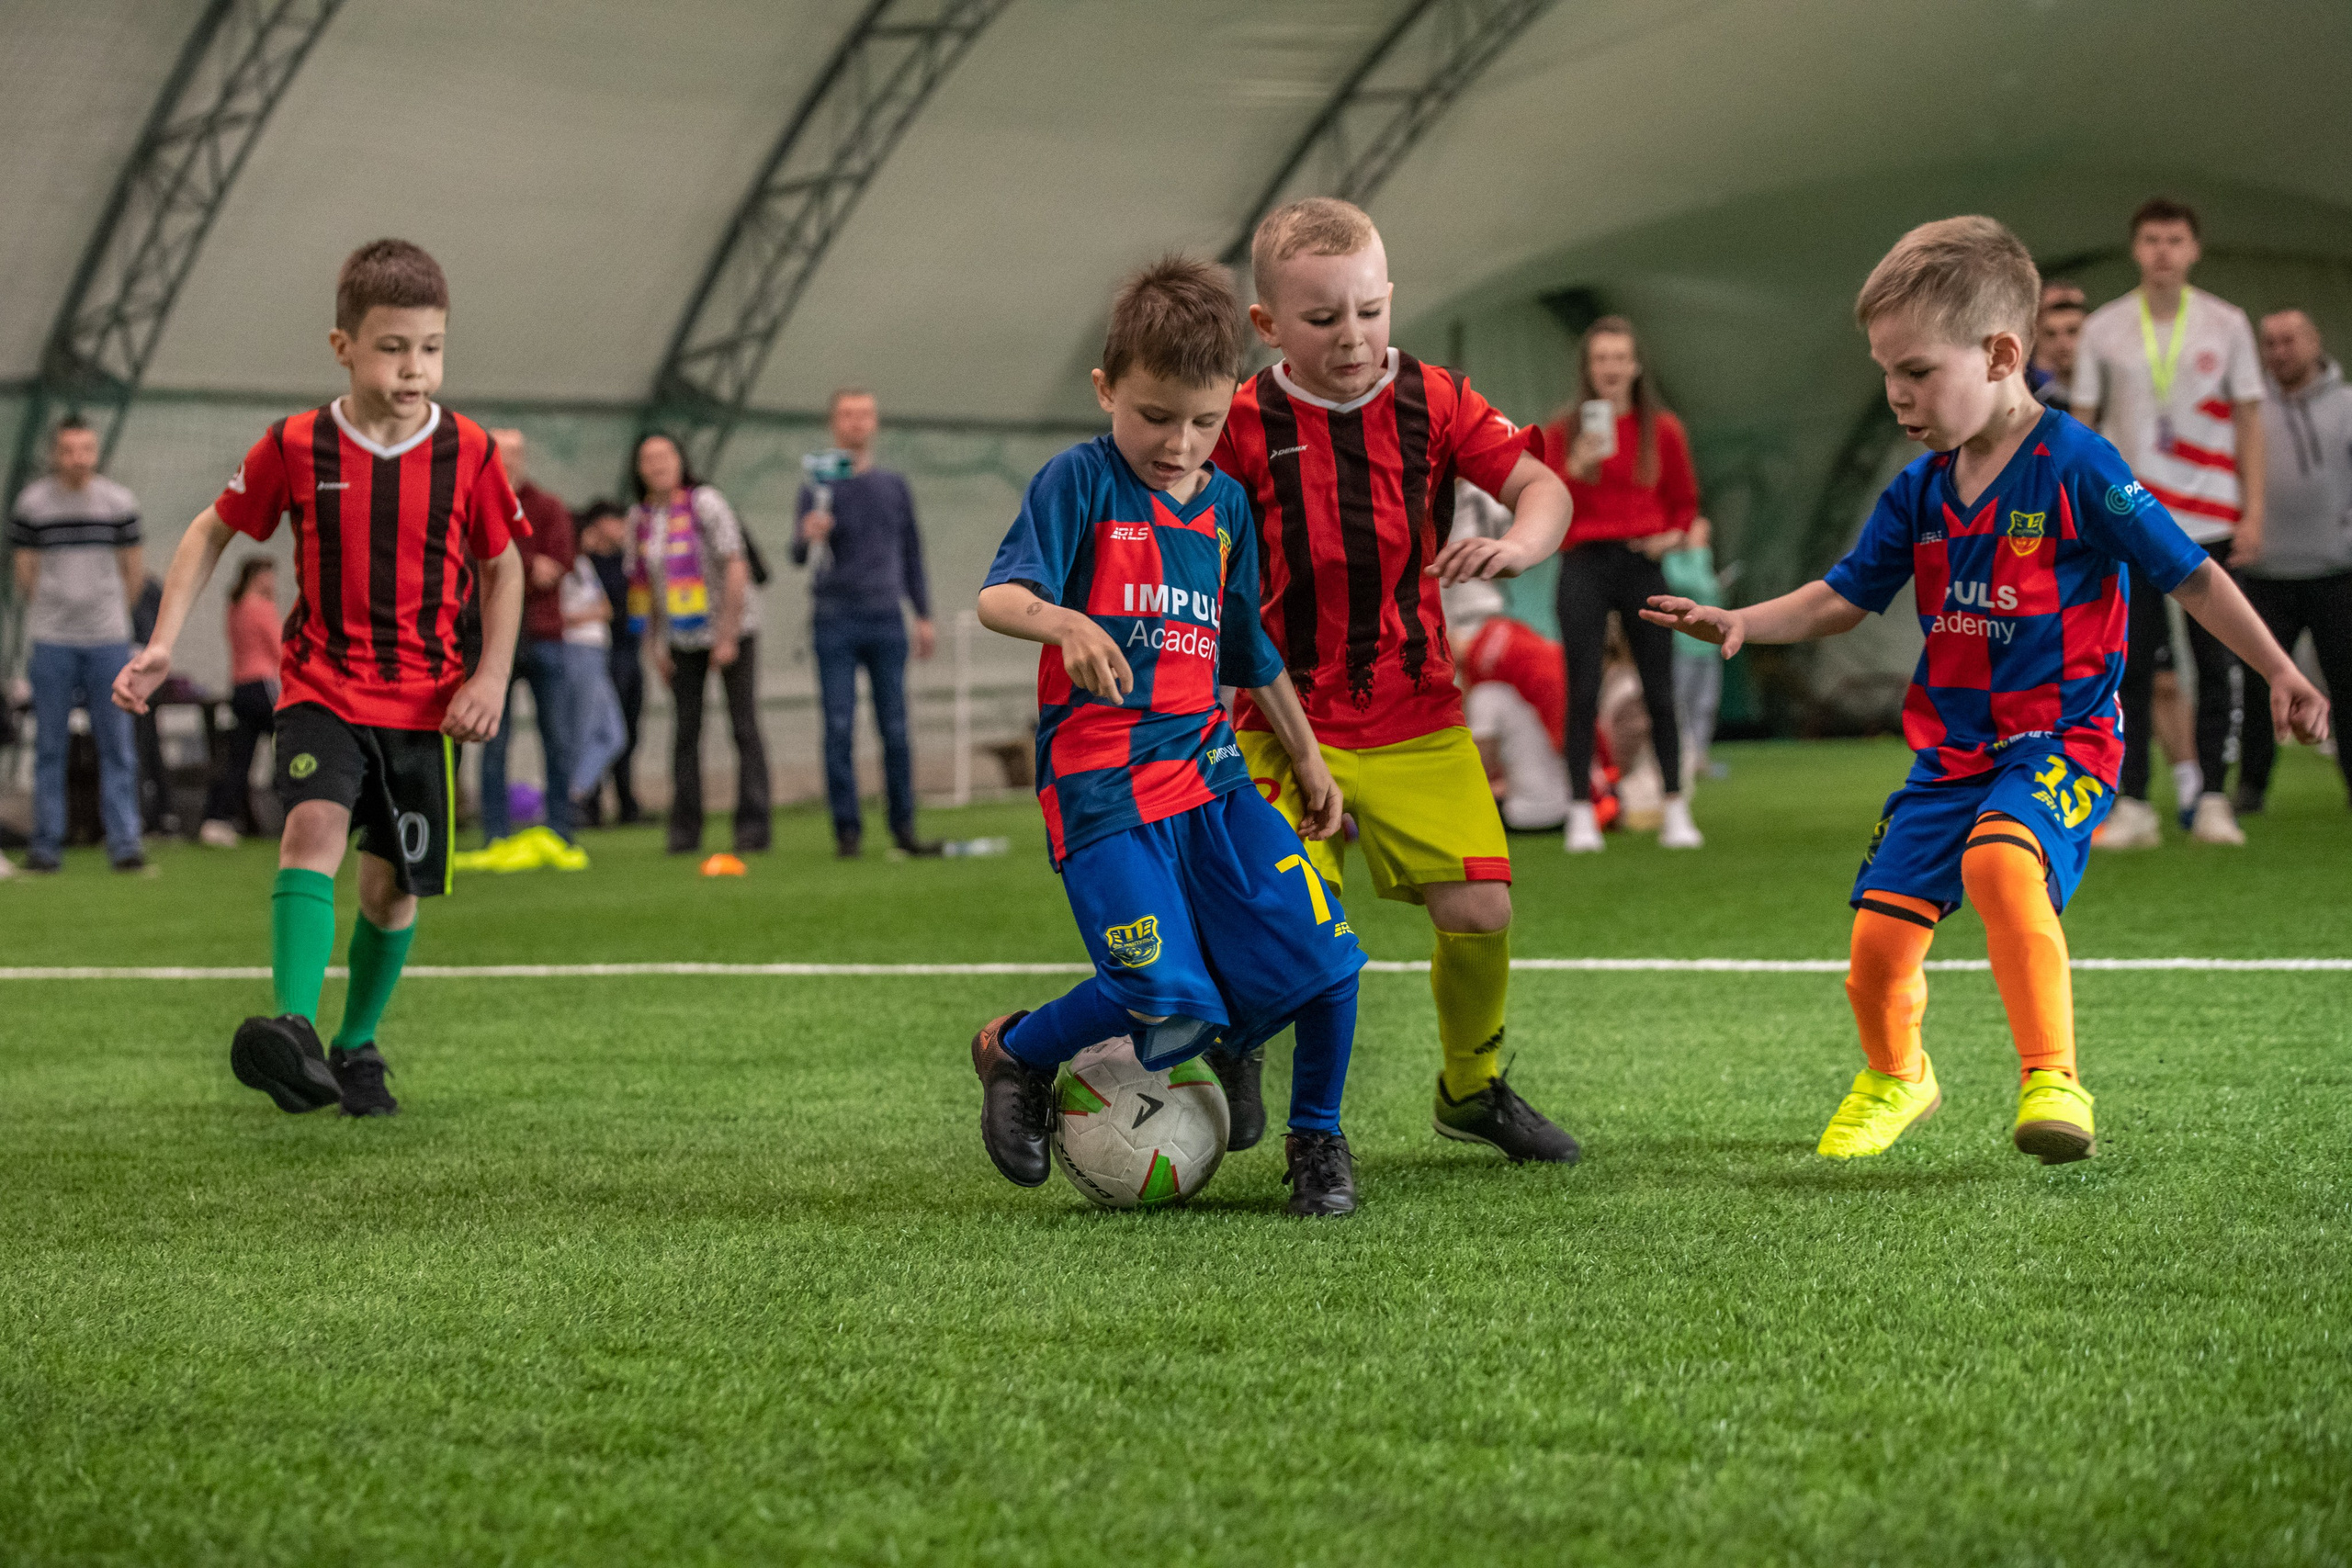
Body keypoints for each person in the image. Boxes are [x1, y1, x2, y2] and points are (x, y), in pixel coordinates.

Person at [1646, 216, 2329, 1167]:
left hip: (2063, 741)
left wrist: (2282, 672)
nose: (1894, 396)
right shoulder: (1919, 491)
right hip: (1949, 757)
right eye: (1884, 374)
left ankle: (2052, 1077)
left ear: (2001, 353)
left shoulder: (2079, 466)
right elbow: (1843, 598)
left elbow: (2192, 577)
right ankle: (1899, 1077)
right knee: (1877, 948)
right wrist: (1745, 621)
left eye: (1916, 372)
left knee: (2001, 865)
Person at [970, 255, 1364, 1215]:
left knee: (1331, 966)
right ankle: (1015, 1053)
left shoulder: (1224, 507)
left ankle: (1317, 1140)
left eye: (1205, 421)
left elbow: (1246, 646)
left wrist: (1307, 757)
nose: (1179, 444)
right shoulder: (1077, 483)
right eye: (1153, 416)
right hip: (1102, 788)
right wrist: (1060, 622)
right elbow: (997, 597)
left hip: (1213, 782)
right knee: (1160, 992)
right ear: (1107, 390)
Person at [113, 237, 527, 1119]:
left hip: (427, 705)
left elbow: (505, 566)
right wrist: (162, 641)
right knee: (310, 829)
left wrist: (489, 675)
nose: (415, 367)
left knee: (390, 887)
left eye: (431, 347)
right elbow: (210, 530)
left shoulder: (472, 453)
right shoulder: (297, 444)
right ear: (342, 345)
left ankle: (356, 1044)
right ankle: (294, 1029)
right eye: (392, 347)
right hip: (322, 685)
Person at [1211, 197, 1580, 1164]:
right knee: (1291, 927)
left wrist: (1517, 545)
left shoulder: (1438, 399)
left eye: (1370, 311)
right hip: (1279, 719)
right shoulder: (1238, 426)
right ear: (1268, 326)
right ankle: (1239, 1050)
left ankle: (1470, 1088)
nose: (1354, 336)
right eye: (1324, 318)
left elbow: (1544, 489)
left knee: (1482, 909)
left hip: (1415, 713)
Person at [2074, 197, 2268, 845]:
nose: (2162, 250)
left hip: (2210, 517)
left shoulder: (2227, 322)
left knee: (2217, 663)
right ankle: (2132, 803)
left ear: (2194, 249)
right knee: (2125, 666)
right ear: (2136, 249)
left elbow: (2249, 417)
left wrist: (2255, 510)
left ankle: (2213, 797)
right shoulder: (2103, 327)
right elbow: (2082, 426)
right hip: (2130, 519)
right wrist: (2080, 515)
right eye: (2151, 238)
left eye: (2174, 239)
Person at [1544, 316, 1704, 851]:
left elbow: (1684, 505)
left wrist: (1672, 538)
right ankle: (1580, 813)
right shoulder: (1563, 431)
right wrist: (1574, 465)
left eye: (1619, 358)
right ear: (1588, 369)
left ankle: (1676, 807)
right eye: (1600, 359)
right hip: (1583, 562)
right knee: (1582, 688)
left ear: (1635, 366)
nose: (1611, 369)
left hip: (1643, 561)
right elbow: (1543, 504)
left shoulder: (1664, 431)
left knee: (1661, 688)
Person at [792, 389, 939, 858]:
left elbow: (912, 550)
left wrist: (923, 614)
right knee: (838, 726)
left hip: (885, 618)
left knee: (894, 727)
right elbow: (798, 557)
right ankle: (847, 832)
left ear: (875, 423)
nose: (856, 423)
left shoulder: (893, 486)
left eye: (864, 414)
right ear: (833, 424)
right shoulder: (816, 486)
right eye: (847, 415)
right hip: (833, 618)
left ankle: (903, 826)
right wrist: (807, 534)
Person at [9, 416, 147, 872]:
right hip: (51, 641)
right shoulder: (32, 504)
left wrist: (111, 619)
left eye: (85, 449)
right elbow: (25, 570)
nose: (77, 458)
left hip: (108, 640)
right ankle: (46, 847)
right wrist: (55, 612)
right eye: (68, 450)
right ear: (55, 453)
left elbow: (134, 571)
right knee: (49, 746)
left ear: (95, 451)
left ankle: (125, 845)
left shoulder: (118, 502)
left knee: (118, 746)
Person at [630, 432, 770, 856]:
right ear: (639, 469)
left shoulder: (705, 502)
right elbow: (647, 587)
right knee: (685, 733)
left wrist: (726, 636)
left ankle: (753, 828)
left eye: (665, 455)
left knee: (743, 726)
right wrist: (654, 646)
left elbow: (736, 563)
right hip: (680, 637)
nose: (658, 464)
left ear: (680, 460)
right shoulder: (640, 518)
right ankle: (685, 830)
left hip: (733, 628)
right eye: (649, 458)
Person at [2239, 308, 2352, 810]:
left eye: (2289, 341)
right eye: (2270, 342)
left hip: (2336, 573)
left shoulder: (2347, 405)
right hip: (2264, 574)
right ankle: (2250, 789)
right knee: (2260, 687)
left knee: (2347, 685)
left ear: (2314, 340)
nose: (2279, 351)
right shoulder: (2249, 408)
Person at [472, 428, 582, 867]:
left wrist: (505, 573)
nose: (507, 461)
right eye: (499, 454)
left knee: (556, 737)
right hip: (494, 641)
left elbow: (552, 568)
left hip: (545, 636)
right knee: (492, 740)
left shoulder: (550, 508)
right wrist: (517, 569)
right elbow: (479, 569)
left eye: (514, 453)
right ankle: (495, 834)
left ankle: (562, 831)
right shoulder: (474, 507)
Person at [1449, 580, 1573, 831]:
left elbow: (1480, 765)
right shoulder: (1513, 643)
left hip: (1528, 814)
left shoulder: (1488, 687)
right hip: (1567, 801)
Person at [197, 557, 281, 845]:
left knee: (239, 760)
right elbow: (279, 649)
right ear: (258, 577)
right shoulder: (262, 607)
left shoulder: (235, 608)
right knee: (290, 747)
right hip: (262, 686)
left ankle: (216, 818)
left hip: (240, 688)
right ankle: (296, 807)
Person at [575, 500, 642, 824]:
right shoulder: (583, 563)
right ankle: (586, 800)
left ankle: (625, 800)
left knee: (625, 730)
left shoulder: (627, 560)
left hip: (628, 650)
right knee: (600, 730)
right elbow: (604, 608)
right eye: (615, 521)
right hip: (597, 654)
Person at [558, 522, 628, 824]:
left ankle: (573, 792)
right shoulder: (563, 567)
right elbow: (558, 615)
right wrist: (592, 613)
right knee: (583, 730)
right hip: (577, 651)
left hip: (597, 650)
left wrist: (596, 612)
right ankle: (567, 799)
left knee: (613, 734)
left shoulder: (583, 564)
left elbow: (607, 609)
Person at [1659, 515, 1726, 785]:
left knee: (1706, 704)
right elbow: (1700, 586)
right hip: (1682, 647)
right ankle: (1682, 758)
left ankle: (1699, 757)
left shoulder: (1703, 559)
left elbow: (1714, 594)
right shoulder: (1672, 561)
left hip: (1708, 648)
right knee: (1680, 705)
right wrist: (1698, 551)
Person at [2029, 280, 2086, 412]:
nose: (2062, 343)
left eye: (2072, 331)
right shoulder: (2039, 409)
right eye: (2050, 334)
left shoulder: (2116, 393)